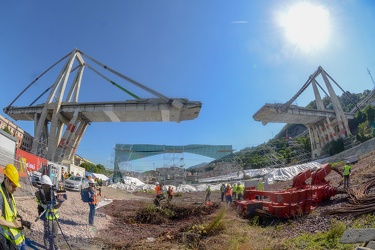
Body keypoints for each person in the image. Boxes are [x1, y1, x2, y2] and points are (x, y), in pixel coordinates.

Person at [0, 164, 26, 250]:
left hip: (20, 239)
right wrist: (13, 224)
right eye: (14, 186)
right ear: (7, 180)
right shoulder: (1, 194)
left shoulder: (9, 193)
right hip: (11, 242)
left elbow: (11, 213)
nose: (15, 189)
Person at [35, 175, 65, 250]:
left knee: (55, 234)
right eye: (46, 186)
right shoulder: (39, 195)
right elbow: (42, 205)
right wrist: (47, 205)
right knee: (48, 234)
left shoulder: (53, 193)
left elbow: (55, 207)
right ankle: (47, 246)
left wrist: (60, 202)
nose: (47, 188)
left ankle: (56, 247)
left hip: (55, 217)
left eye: (48, 186)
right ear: (42, 185)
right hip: (47, 217)